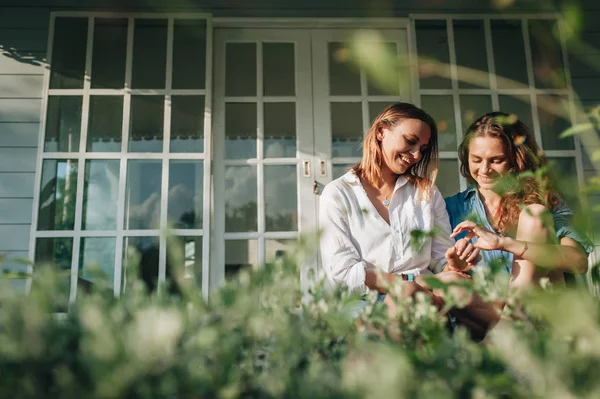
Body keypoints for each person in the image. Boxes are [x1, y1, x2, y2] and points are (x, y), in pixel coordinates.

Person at [319, 102, 497, 338]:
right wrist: (411, 280)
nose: (415, 156)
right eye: (410, 141)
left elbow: (441, 261)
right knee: (407, 293)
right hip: (366, 300)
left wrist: (455, 264)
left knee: (464, 289)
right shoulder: (338, 194)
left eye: (422, 149)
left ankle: (521, 351)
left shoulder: (426, 193)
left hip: (429, 294)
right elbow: (344, 275)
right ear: (381, 131)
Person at [445, 112, 593, 289]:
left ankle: (514, 312)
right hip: (484, 307)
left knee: (534, 214)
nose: (484, 169)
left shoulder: (546, 200)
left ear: (516, 159)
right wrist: (455, 266)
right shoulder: (451, 208)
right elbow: (442, 280)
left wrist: (506, 244)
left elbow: (578, 261)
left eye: (496, 160)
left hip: (538, 307)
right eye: (476, 160)